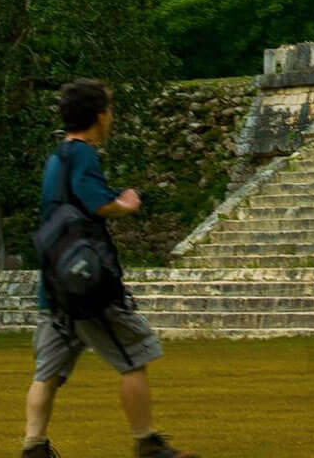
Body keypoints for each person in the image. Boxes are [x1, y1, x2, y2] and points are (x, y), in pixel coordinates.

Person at [22, 78, 196, 458]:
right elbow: (95, 202)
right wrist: (126, 203)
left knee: (47, 373)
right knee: (134, 356)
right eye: (109, 109)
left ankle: (34, 446)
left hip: (54, 285)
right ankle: (147, 443)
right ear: (99, 116)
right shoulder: (83, 154)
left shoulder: (55, 158)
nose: (111, 117)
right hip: (87, 284)